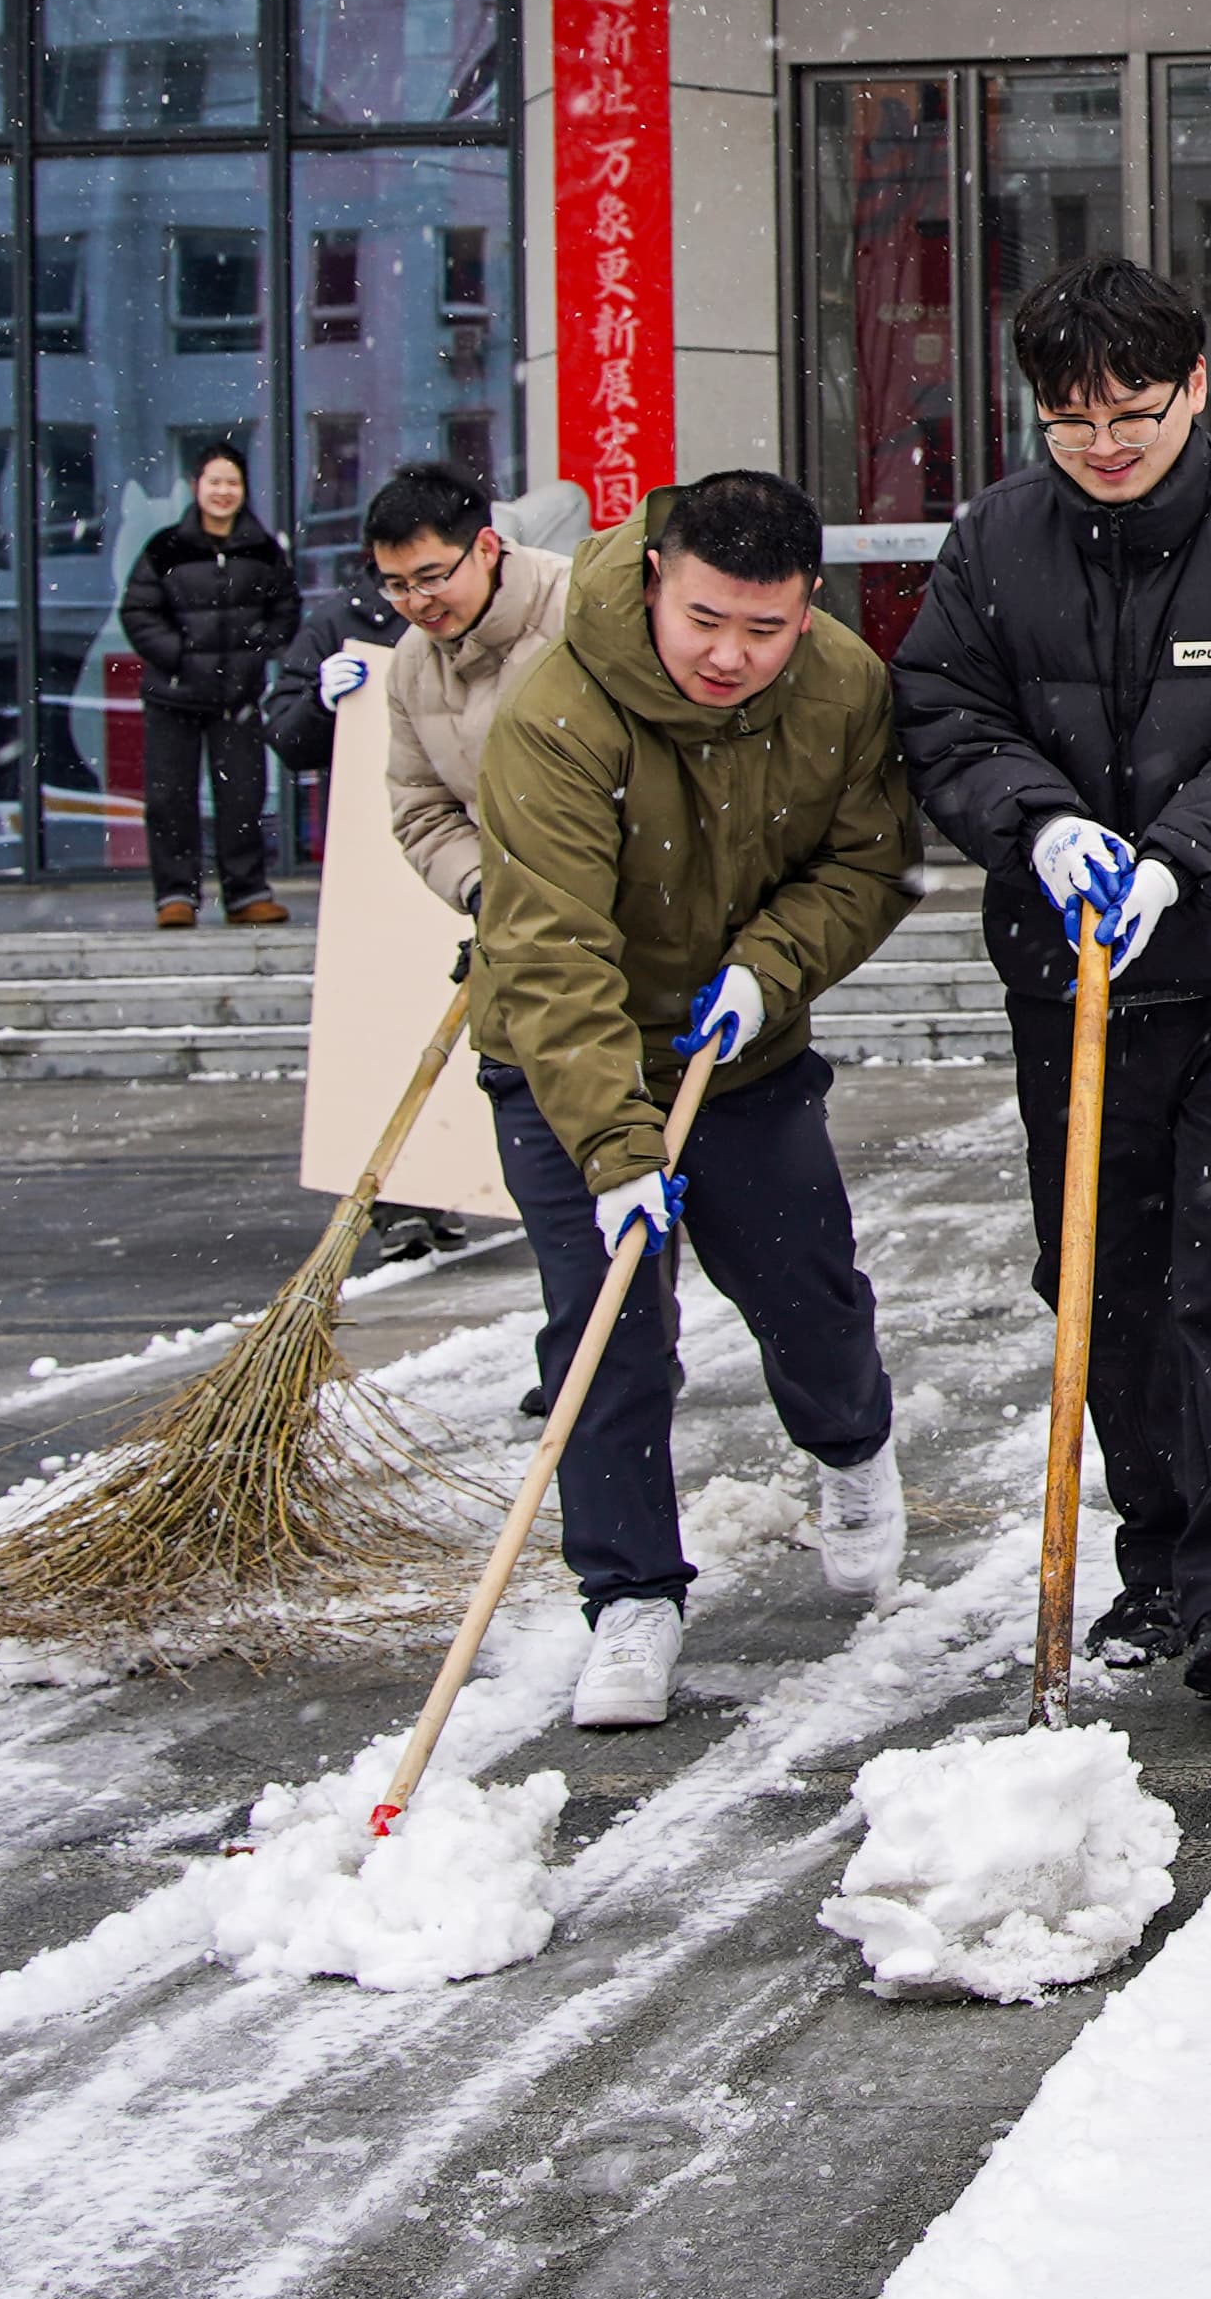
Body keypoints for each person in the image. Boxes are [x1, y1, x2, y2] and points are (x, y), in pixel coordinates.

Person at [894, 256, 1211, 1710]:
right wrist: (1039, 828)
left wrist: (1179, 856)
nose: (1105, 443)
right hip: (1073, 974)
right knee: (1099, 1278)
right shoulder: (993, 543)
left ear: (1197, 386)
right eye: (1071, 418)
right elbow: (945, 712)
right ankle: (1155, 1561)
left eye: (1134, 412)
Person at [467, 468, 922, 1731]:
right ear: (656, 575)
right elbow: (552, 950)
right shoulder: (556, 714)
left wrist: (768, 970)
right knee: (609, 1324)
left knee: (804, 1288)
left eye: (764, 628)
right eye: (706, 618)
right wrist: (615, 1151)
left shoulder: (841, 689)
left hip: (740, 1050)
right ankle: (630, 1595)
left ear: (807, 605)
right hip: (566, 1060)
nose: (731, 654)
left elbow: (869, 860)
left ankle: (850, 1449)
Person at [302, 456, 576, 927]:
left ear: (487, 548)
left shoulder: (581, 610)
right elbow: (422, 808)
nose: (416, 602)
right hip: (516, 925)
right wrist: (480, 889)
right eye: (396, 585)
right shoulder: (411, 662)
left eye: (432, 578)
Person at [117, 441, 297, 932]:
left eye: (232, 482)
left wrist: (260, 647)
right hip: (173, 697)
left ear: (242, 490)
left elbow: (286, 609)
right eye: (214, 481)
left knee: (243, 796)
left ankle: (247, 894)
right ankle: (176, 894)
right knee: (169, 799)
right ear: (197, 487)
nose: (223, 491)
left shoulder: (262, 550)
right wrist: (178, 658)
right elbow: (138, 612)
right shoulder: (165, 547)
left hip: (237, 697)